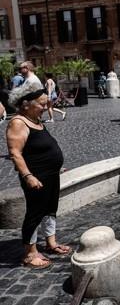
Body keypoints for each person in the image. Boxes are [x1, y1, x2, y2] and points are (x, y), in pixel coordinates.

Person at [6, 85, 71, 269]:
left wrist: (55, 165)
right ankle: (29, 253)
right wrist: (28, 176)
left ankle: (51, 243)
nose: (45, 107)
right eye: (41, 104)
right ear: (26, 104)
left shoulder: (35, 119)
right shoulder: (18, 122)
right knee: (35, 213)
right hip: (36, 177)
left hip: (50, 174)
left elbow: (42, 148)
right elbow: (15, 153)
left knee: (50, 209)